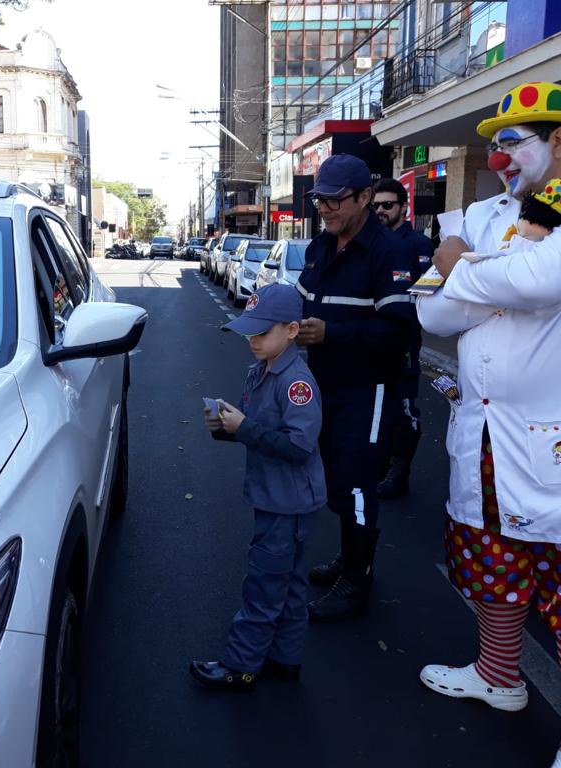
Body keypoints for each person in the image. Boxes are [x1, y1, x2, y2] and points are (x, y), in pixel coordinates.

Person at [416, 81, 561, 768]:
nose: (498, 160)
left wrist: (465, 268)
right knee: (493, 568)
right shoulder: (493, 217)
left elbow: (542, 281)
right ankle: (497, 677)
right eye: (492, 147)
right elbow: (434, 314)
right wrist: (492, 274)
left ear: (559, 141)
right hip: (488, 435)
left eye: (511, 144)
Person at [296, 154, 419, 622]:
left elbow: (398, 331)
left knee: (358, 485)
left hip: (369, 389)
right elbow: (307, 301)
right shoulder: (319, 247)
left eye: (335, 200)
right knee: (333, 479)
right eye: (318, 199)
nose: (324, 208)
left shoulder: (391, 252)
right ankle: (350, 559)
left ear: (365, 198)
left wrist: (331, 333)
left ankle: (357, 581)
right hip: (324, 384)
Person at [190, 283, 326, 691]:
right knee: (288, 583)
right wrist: (227, 428)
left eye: (262, 333)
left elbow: (299, 445)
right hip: (277, 495)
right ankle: (285, 659)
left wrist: (244, 428)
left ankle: (241, 666)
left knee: (265, 586)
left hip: (288, 502)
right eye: (249, 333)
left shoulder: (296, 383)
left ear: (291, 330)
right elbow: (260, 430)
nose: (253, 341)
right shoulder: (261, 369)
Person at [371, 177, 435, 499]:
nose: (381, 211)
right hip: (371, 341)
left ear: (403, 207)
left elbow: (426, 294)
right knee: (377, 403)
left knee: (404, 405)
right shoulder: (371, 242)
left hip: (404, 340)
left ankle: (400, 472)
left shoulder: (418, 245)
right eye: (377, 205)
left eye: (388, 205)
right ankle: (381, 465)